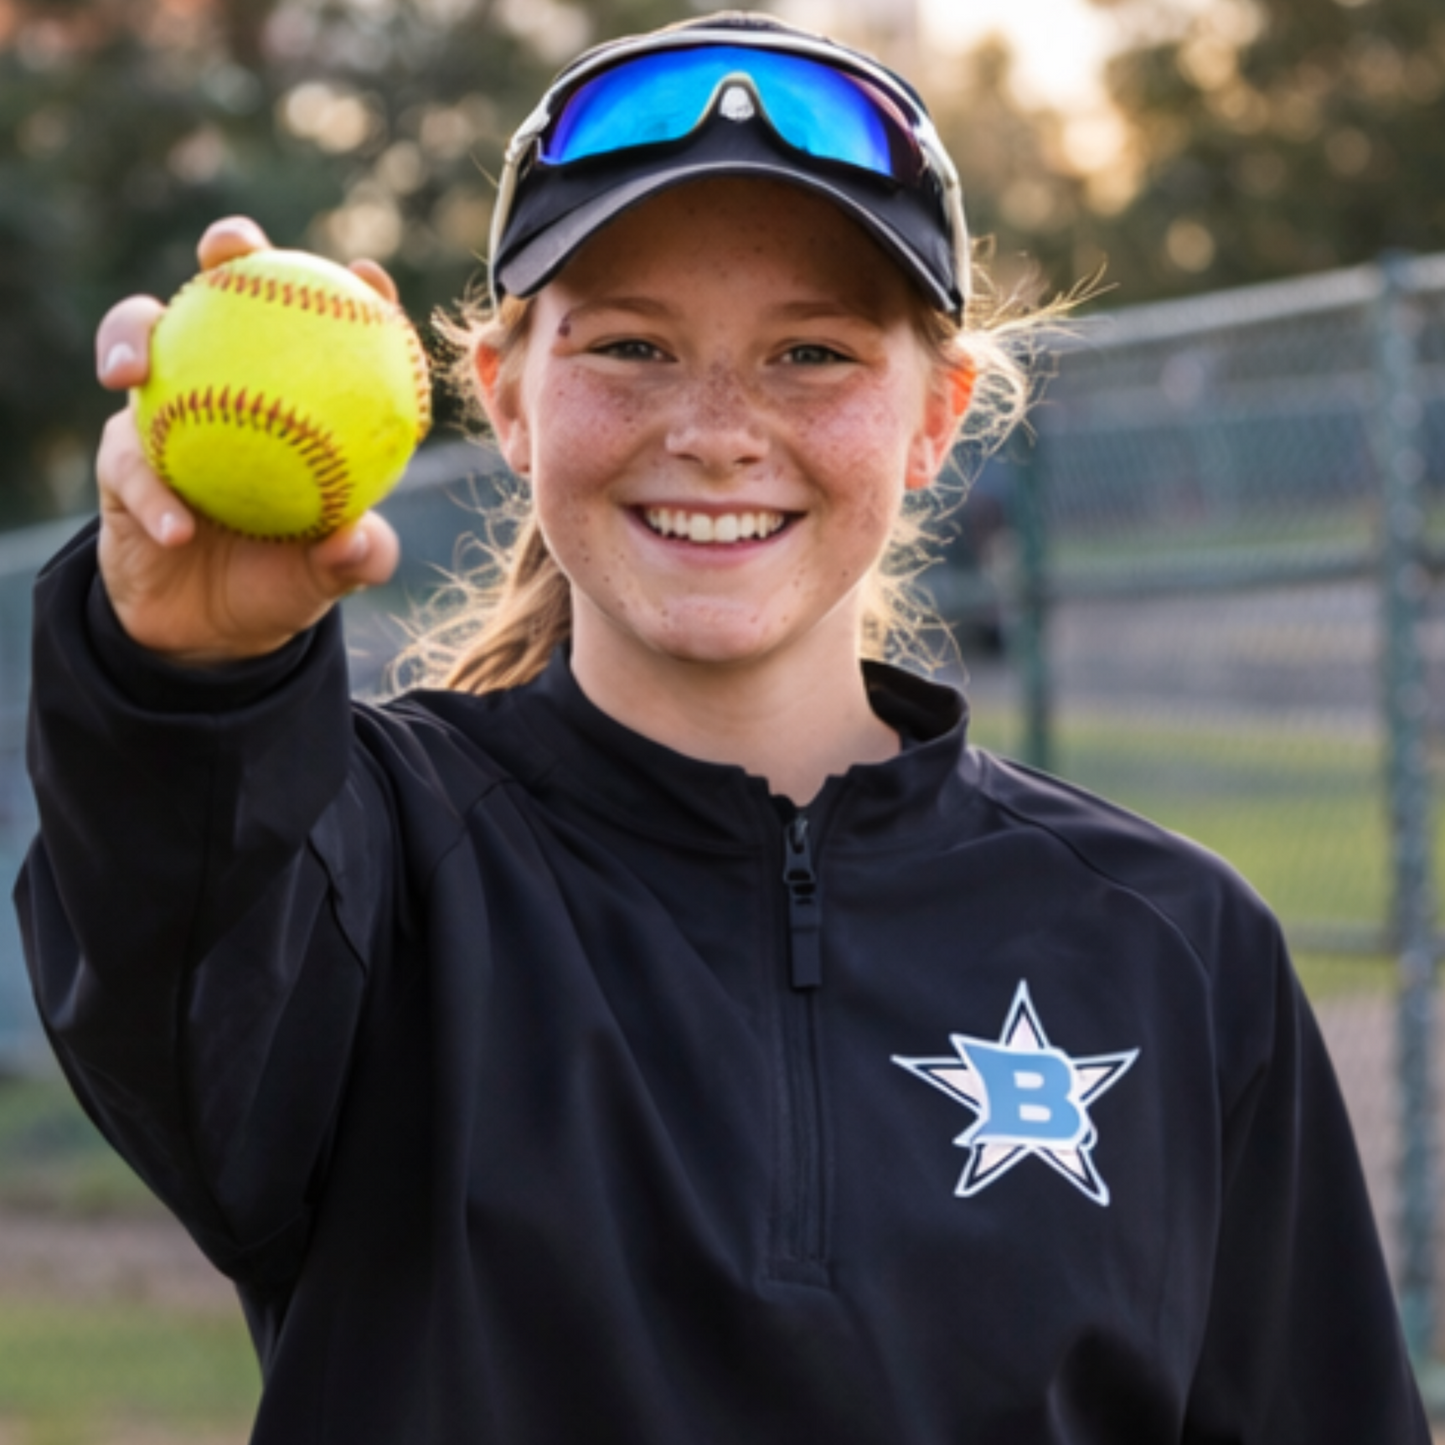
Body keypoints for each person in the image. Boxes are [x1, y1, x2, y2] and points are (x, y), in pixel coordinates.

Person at [15, 11, 1430, 1444]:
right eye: (632, 345)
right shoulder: (369, 866)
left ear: (934, 419)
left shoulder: (1173, 945)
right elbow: (178, 969)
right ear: (507, 398)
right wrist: (188, 674)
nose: (715, 429)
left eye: (809, 354)